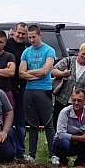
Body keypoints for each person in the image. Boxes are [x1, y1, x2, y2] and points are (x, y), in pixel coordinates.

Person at [19, 25, 57, 161]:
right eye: (29, 37)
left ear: (40, 35)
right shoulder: (26, 52)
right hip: (29, 91)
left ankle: (53, 154)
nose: (31, 40)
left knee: (48, 124)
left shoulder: (49, 50)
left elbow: (46, 71)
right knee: (32, 125)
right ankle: (32, 155)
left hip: (44, 90)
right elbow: (21, 73)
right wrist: (36, 74)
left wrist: (29, 72)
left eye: (33, 37)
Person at [51, 43, 85, 150]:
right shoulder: (68, 61)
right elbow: (54, 71)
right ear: (79, 53)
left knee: (75, 125)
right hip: (62, 98)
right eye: (83, 54)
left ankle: (74, 145)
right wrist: (63, 74)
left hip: (79, 102)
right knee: (58, 121)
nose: (84, 57)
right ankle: (55, 144)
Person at [53, 88, 85, 166]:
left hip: (80, 143)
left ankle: (81, 161)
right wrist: (82, 138)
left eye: (79, 101)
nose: (76, 103)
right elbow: (61, 134)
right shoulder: (64, 112)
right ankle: (63, 162)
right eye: (74, 100)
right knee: (64, 143)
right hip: (63, 144)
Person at [4, 24, 30, 160]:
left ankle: (20, 151)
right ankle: (10, 150)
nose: (20, 36)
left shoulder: (28, 47)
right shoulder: (7, 45)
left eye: (23, 34)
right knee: (8, 120)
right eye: (19, 33)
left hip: (23, 88)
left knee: (20, 122)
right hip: (8, 88)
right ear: (14, 32)